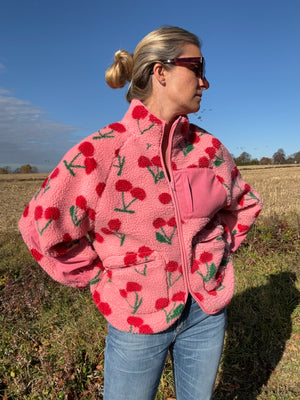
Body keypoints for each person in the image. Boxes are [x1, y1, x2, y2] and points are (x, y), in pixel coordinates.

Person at [19, 26, 262, 400]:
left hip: (205, 315)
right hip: (135, 320)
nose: (205, 81)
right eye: (196, 67)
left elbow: (243, 203)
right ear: (160, 72)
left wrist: (214, 255)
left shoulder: (208, 150)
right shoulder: (101, 151)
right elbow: (41, 228)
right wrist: (100, 279)